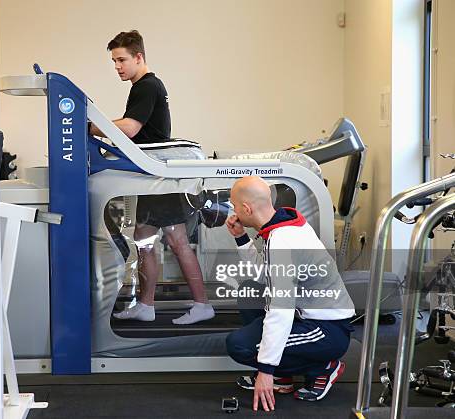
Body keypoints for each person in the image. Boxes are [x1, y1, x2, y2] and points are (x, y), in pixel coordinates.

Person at [89, 30, 214, 325]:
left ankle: (202, 304)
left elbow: (130, 128)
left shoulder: (146, 86)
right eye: (114, 61)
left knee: (177, 239)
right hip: (149, 177)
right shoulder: (145, 86)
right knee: (143, 239)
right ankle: (145, 305)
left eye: (122, 60)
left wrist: (90, 128)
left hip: (159, 178)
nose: (117, 66)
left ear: (139, 57)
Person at [223, 176, 355, 411]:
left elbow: (280, 309)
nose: (233, 210)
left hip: (326, 330)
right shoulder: (281, 225)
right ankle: (283, 377)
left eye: (234, 205)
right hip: (304, 314)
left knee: (240, 346)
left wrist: (265, 369)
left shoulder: (283, 240)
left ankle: (323, 367)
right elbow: (264, 276)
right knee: (249, 290)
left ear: (246, 208)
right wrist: (241, 238)